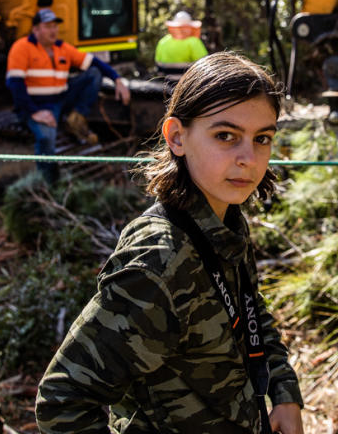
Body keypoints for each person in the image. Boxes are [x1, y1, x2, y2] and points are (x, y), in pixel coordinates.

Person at [36, 52, 304, 434]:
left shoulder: (224, 218)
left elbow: (249, 310)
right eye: (225, 135)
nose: (248, 158)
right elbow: (63, 401)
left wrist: (283, 390)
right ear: (177, 137)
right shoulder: (160, 260)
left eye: (262, 138)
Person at [6, 7, 131, 183]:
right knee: (45, 138)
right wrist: (34, 112)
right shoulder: (22, 48)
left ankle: (77, 118)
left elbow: (94, 62)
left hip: (60, 99)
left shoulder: (61, 48)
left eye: (55, 26)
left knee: (93, 73)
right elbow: (15, 84)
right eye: (48, 26)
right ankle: (48, 184)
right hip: (37, 105)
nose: (53, 30)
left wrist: (117, 80)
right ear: (36, 30)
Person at [154, 10, 209, 77]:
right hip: (189, 84)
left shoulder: (163, 42)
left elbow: (158, 65)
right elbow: (205, 65)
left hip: (165, 83)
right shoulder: (194, 42)